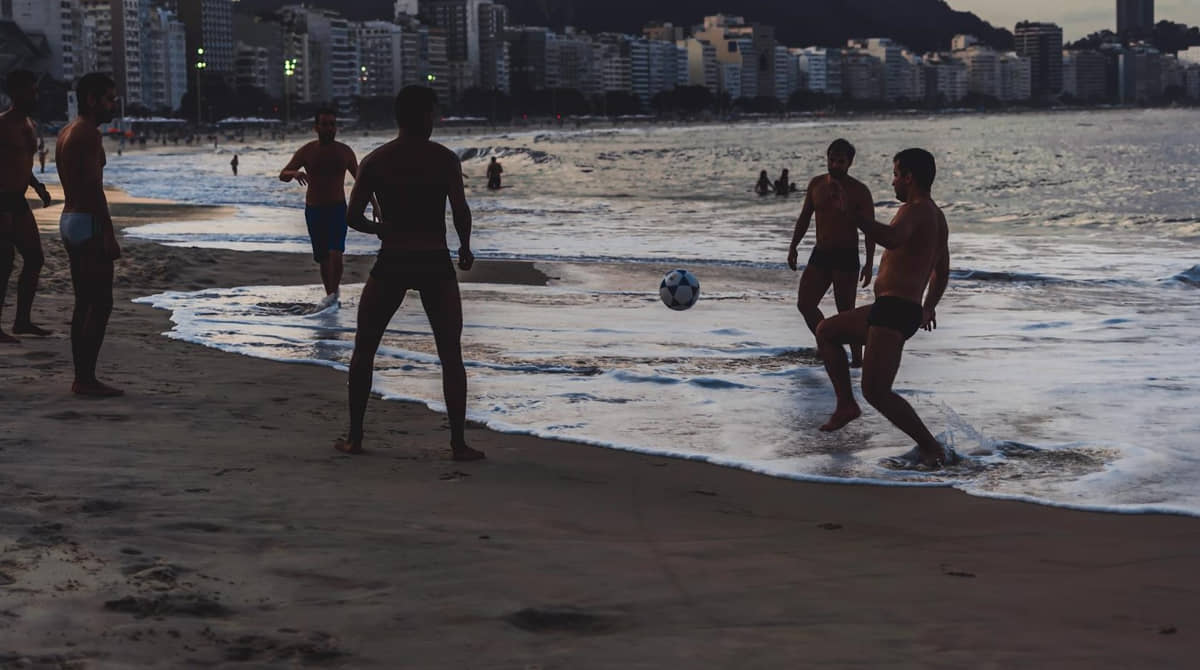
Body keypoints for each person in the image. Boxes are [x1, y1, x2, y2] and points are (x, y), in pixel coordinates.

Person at [334, 85, 484, 462]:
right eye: (432, 113)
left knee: (364, 348)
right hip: (435, 260)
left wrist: (380, 229)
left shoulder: (376, 160)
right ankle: (458, 443)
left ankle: (355, 437)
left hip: (394, 259)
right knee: (450, 354)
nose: (434, 120)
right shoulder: (444, 159)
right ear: (423, 116)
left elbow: (352, 217)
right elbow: (460, 210)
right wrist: (465, 248)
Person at [813, 148, 952, 468]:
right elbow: (941, 270)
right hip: (895, 308)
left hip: (895, 310)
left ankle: (932, 449)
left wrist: (855, 216)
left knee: (877, 391)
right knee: (827, 331)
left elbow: (892, 238)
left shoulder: (915, 210)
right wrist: (928, 306)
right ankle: (846, 405)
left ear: (909, 177)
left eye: (895, 174)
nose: (893, 182)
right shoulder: (936, 217)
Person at [56, 73, 123, 396]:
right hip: (88, 220)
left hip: (70, 218)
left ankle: (82, 376)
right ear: (92, 99)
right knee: (101, 302)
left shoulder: (67, 131)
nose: (114, 104)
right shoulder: (87, 135)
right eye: (109, 99)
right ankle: (85, 379)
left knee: (84, 301)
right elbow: (94, 189)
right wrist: (108, 233)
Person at [787, 139, 875, 367]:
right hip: (821, 253)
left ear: (850, 163)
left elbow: (870, 230)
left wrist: (869, 263)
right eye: (832, 160)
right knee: (805, 304)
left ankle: (857, 361)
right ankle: (827, 341)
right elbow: (805, 217)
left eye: (841, 161)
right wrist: (794, 245)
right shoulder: (816, 184)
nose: (835, 165)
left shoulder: (859, 191)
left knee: (846, 312)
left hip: (846, 256)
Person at [279, 108, 361, 305]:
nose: (329, 128)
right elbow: (283, 174)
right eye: (324, 124)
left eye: (332, 124)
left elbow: (361, 180)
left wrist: (375, 206)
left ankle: (333, 296)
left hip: (338, 209)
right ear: (316, 127)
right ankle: (331, 294)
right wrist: (295, 173)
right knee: (323, 257)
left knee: (336, 253)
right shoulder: (307, 150)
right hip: (314, 210)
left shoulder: (345, 151)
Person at [0, 69, 54, 343]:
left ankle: (22, 321)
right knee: (3, 262)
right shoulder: (3, 124)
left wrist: (37, 185)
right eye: (30, 92)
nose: (35, 96)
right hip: (2, 200)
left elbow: (21, 162)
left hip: (18, 200)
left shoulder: (29, 124)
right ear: (15, 93)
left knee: (34, 258)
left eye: (36, 91)